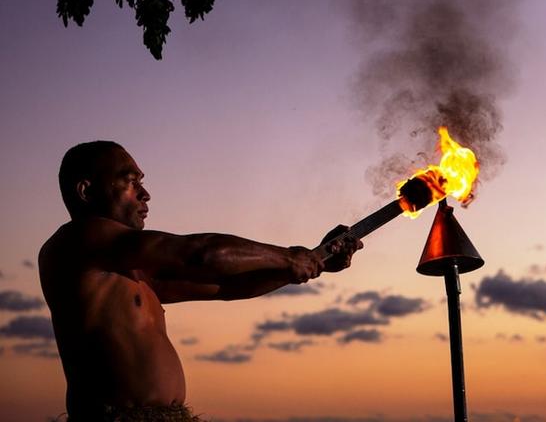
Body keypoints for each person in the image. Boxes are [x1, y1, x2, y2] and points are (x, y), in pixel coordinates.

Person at [39, 141, 362, 422]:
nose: (145, 193)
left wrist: (314, 261)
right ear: (86, 190)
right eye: (130, 181)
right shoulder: (81, 238)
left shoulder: (129, 272)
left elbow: (227, 287)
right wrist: (290, 258)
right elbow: (199, 254)